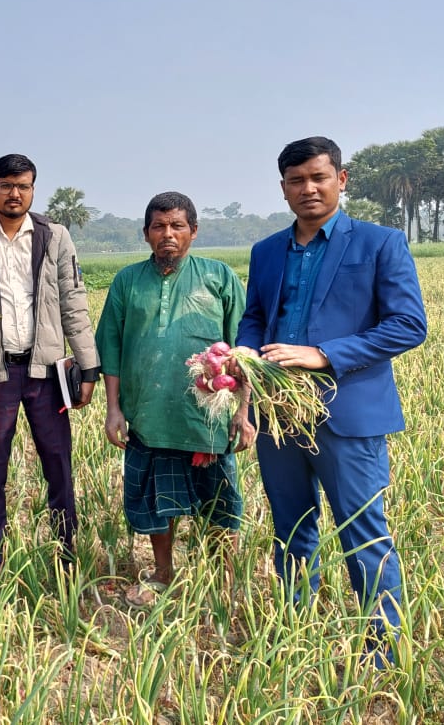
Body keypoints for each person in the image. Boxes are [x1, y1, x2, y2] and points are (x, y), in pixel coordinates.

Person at [236, 136, 427, 665]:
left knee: (364, 534)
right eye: (297, 181)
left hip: (347, 416)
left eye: (319, 177)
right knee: (291, 530)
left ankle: (383, 653)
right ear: (283, 189)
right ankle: (296, 633)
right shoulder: (266, 251)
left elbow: (409, 326)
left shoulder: (379, 243)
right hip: (279, 418)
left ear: (341, 180)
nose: (309, 189)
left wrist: (322, 354)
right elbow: (255, 317)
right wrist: (244, 355)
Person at [94, 192, 253, 607]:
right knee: (156, 503)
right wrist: (113, 409)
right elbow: (109, 347)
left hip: (207, 419)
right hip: (148, 414)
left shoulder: (219, 277)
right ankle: (162, 573)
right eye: (159, 227)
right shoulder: (127, 281)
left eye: (177, 226)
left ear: (194, 232)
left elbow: (244, 351)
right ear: (146, 233)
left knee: (218, 503)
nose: (168, 234)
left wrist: (244, 412)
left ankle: (223, 583)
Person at [0, 153, 100, 571]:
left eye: (24, 186)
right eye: (7, 185)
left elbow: (75, 305)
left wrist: (89, 367)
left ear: (33, 189)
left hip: (46, 374)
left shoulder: (55, 237)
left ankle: (66, 549)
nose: (15, 193)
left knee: (58, 461)